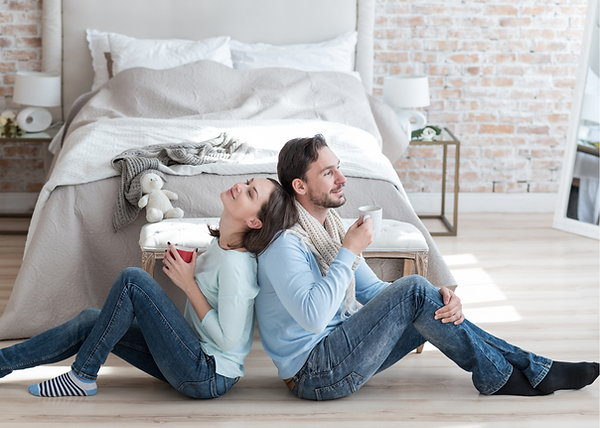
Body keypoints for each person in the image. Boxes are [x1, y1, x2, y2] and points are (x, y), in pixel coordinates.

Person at [255, 134, 599, 400]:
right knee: (415, 290)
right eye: (328, 173)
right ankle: (518, 373)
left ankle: (529, 369)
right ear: (299, 185)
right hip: (314, 374)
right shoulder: (286, 242)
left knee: (423, 298)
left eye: (339, 167)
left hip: (338, 352)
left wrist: (439, 296)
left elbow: (374, 292)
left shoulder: (327, 229)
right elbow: (313, 318)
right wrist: (349, 251)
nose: (342, 178)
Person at [0, 177, 296, 398]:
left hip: (207, 374)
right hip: (191, 356)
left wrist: (188, 285)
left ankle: (82, 375)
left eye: (250, 192)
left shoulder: (237, 267)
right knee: (92, 319)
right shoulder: (220, 245)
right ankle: (3, 362)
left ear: (255, 221)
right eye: (246, 182)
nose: (240, 186)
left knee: (134, 280)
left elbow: (229, 341)